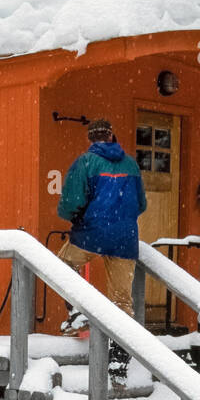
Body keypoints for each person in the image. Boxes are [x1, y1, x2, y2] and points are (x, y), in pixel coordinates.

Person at [56, 118, 147, 329]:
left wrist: (75, 217)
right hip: (125, 238)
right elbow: (141, 204)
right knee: (122, 299)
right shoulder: (131, 164)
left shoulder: (85, 162)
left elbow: (71, 202)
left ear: (90, 139)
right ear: (111, 135)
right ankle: (119, 356)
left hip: (92, 233)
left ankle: (78, 311)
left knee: (62, 266)